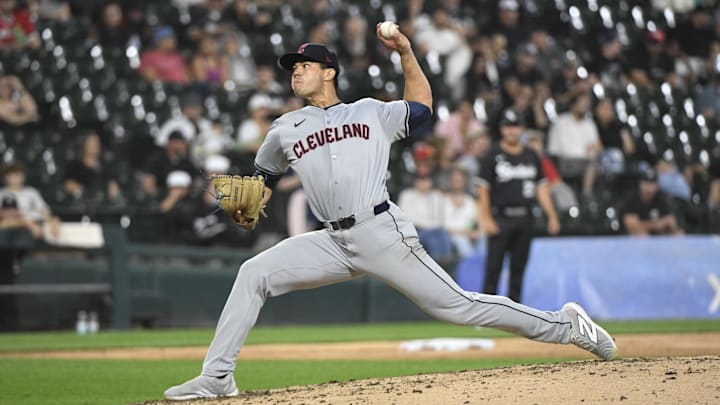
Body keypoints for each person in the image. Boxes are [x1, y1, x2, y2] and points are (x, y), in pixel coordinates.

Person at [163, 27, 617, 401]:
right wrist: (254, 197)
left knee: (458, 307)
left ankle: (566, 324)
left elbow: (421, 107)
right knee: (253, 273)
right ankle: (218, 377)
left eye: (303, 65)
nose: (295, 72)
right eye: (292, 67)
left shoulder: (370, 112)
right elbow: (262, 176)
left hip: (381, 231)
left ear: (329, 73)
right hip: (331, 242)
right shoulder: (284, 128)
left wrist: (405, 51)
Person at [477, 108, 560, 303]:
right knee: (493, 268)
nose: (512, 131)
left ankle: (515, 315)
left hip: (525, 217)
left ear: (521, 129)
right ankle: (484, 316)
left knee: (518, 268)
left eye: (515, 126)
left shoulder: (531, 155)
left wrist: (552, 216)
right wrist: (486, 218)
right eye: (508, 126)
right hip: (501, 217)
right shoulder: (492, 155)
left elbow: (542, 188)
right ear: (501, 129)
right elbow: (482, 190)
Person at [63, 132, 123, 205]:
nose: (95, 146)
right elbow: (68, 184)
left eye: (97, 143)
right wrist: (83, 192)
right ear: (84, 145)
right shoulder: (74, 166)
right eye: (91, 143)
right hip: (83, 206)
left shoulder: (105, 166)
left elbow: (113, 184)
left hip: (104, 206)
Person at [621, 169, 683, 236]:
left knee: (678, 234)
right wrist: (657, 224)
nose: (648, 187)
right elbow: (631, 224)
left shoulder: (664, 199)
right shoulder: (632, 199)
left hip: (660, 238)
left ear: (657, 185)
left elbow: (672, 221)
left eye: (652, 184)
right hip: (636, 240)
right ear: (640, 184)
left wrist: (670, 227)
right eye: (646, 183)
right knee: (641, 234)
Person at [141, 131, 197, 198]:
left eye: (183, 143)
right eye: (179, 143)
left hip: (184, 200)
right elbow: (148, 180)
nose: (183, 146)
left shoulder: (187, 163)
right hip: (160, 195)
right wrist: (155, 196)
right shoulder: (157, 160)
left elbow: (194, 182)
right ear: (170, 143)